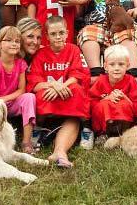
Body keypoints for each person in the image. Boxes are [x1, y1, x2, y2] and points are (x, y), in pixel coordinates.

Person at [27, 16, 90, 168]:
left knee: (76, 90)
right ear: (47, 36)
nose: (58, 37)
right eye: (53, 34)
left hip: (66, 92)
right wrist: (53, 85)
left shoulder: (74, 49)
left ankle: (62, 149)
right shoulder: (41, 54)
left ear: (67, 33)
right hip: (49, 93)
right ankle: (38, 127)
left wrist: (62, 86)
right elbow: (34, 81)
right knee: (39, 95)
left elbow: (78, 75)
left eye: (61, 33)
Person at [0, 26, 37, 154]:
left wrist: (4, 99)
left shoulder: (20, 63)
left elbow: (21, 89)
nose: (14, 44)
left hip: (11, 103)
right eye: (9, 40)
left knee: (29, 97)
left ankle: (27, 141)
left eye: (17, 41)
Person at [88, 45, 137, 140]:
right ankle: (103, 134)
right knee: (104, 104)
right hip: (105, 121)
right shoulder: (101, 81)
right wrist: (106, 98)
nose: (116, 68)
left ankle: (124, 134)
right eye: (112, 64)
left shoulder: (131, 81)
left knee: (123, 103)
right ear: (105, 66)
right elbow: (91, 101)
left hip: (125, 121)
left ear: (127, 66)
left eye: (121, 64)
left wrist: (126, 98)